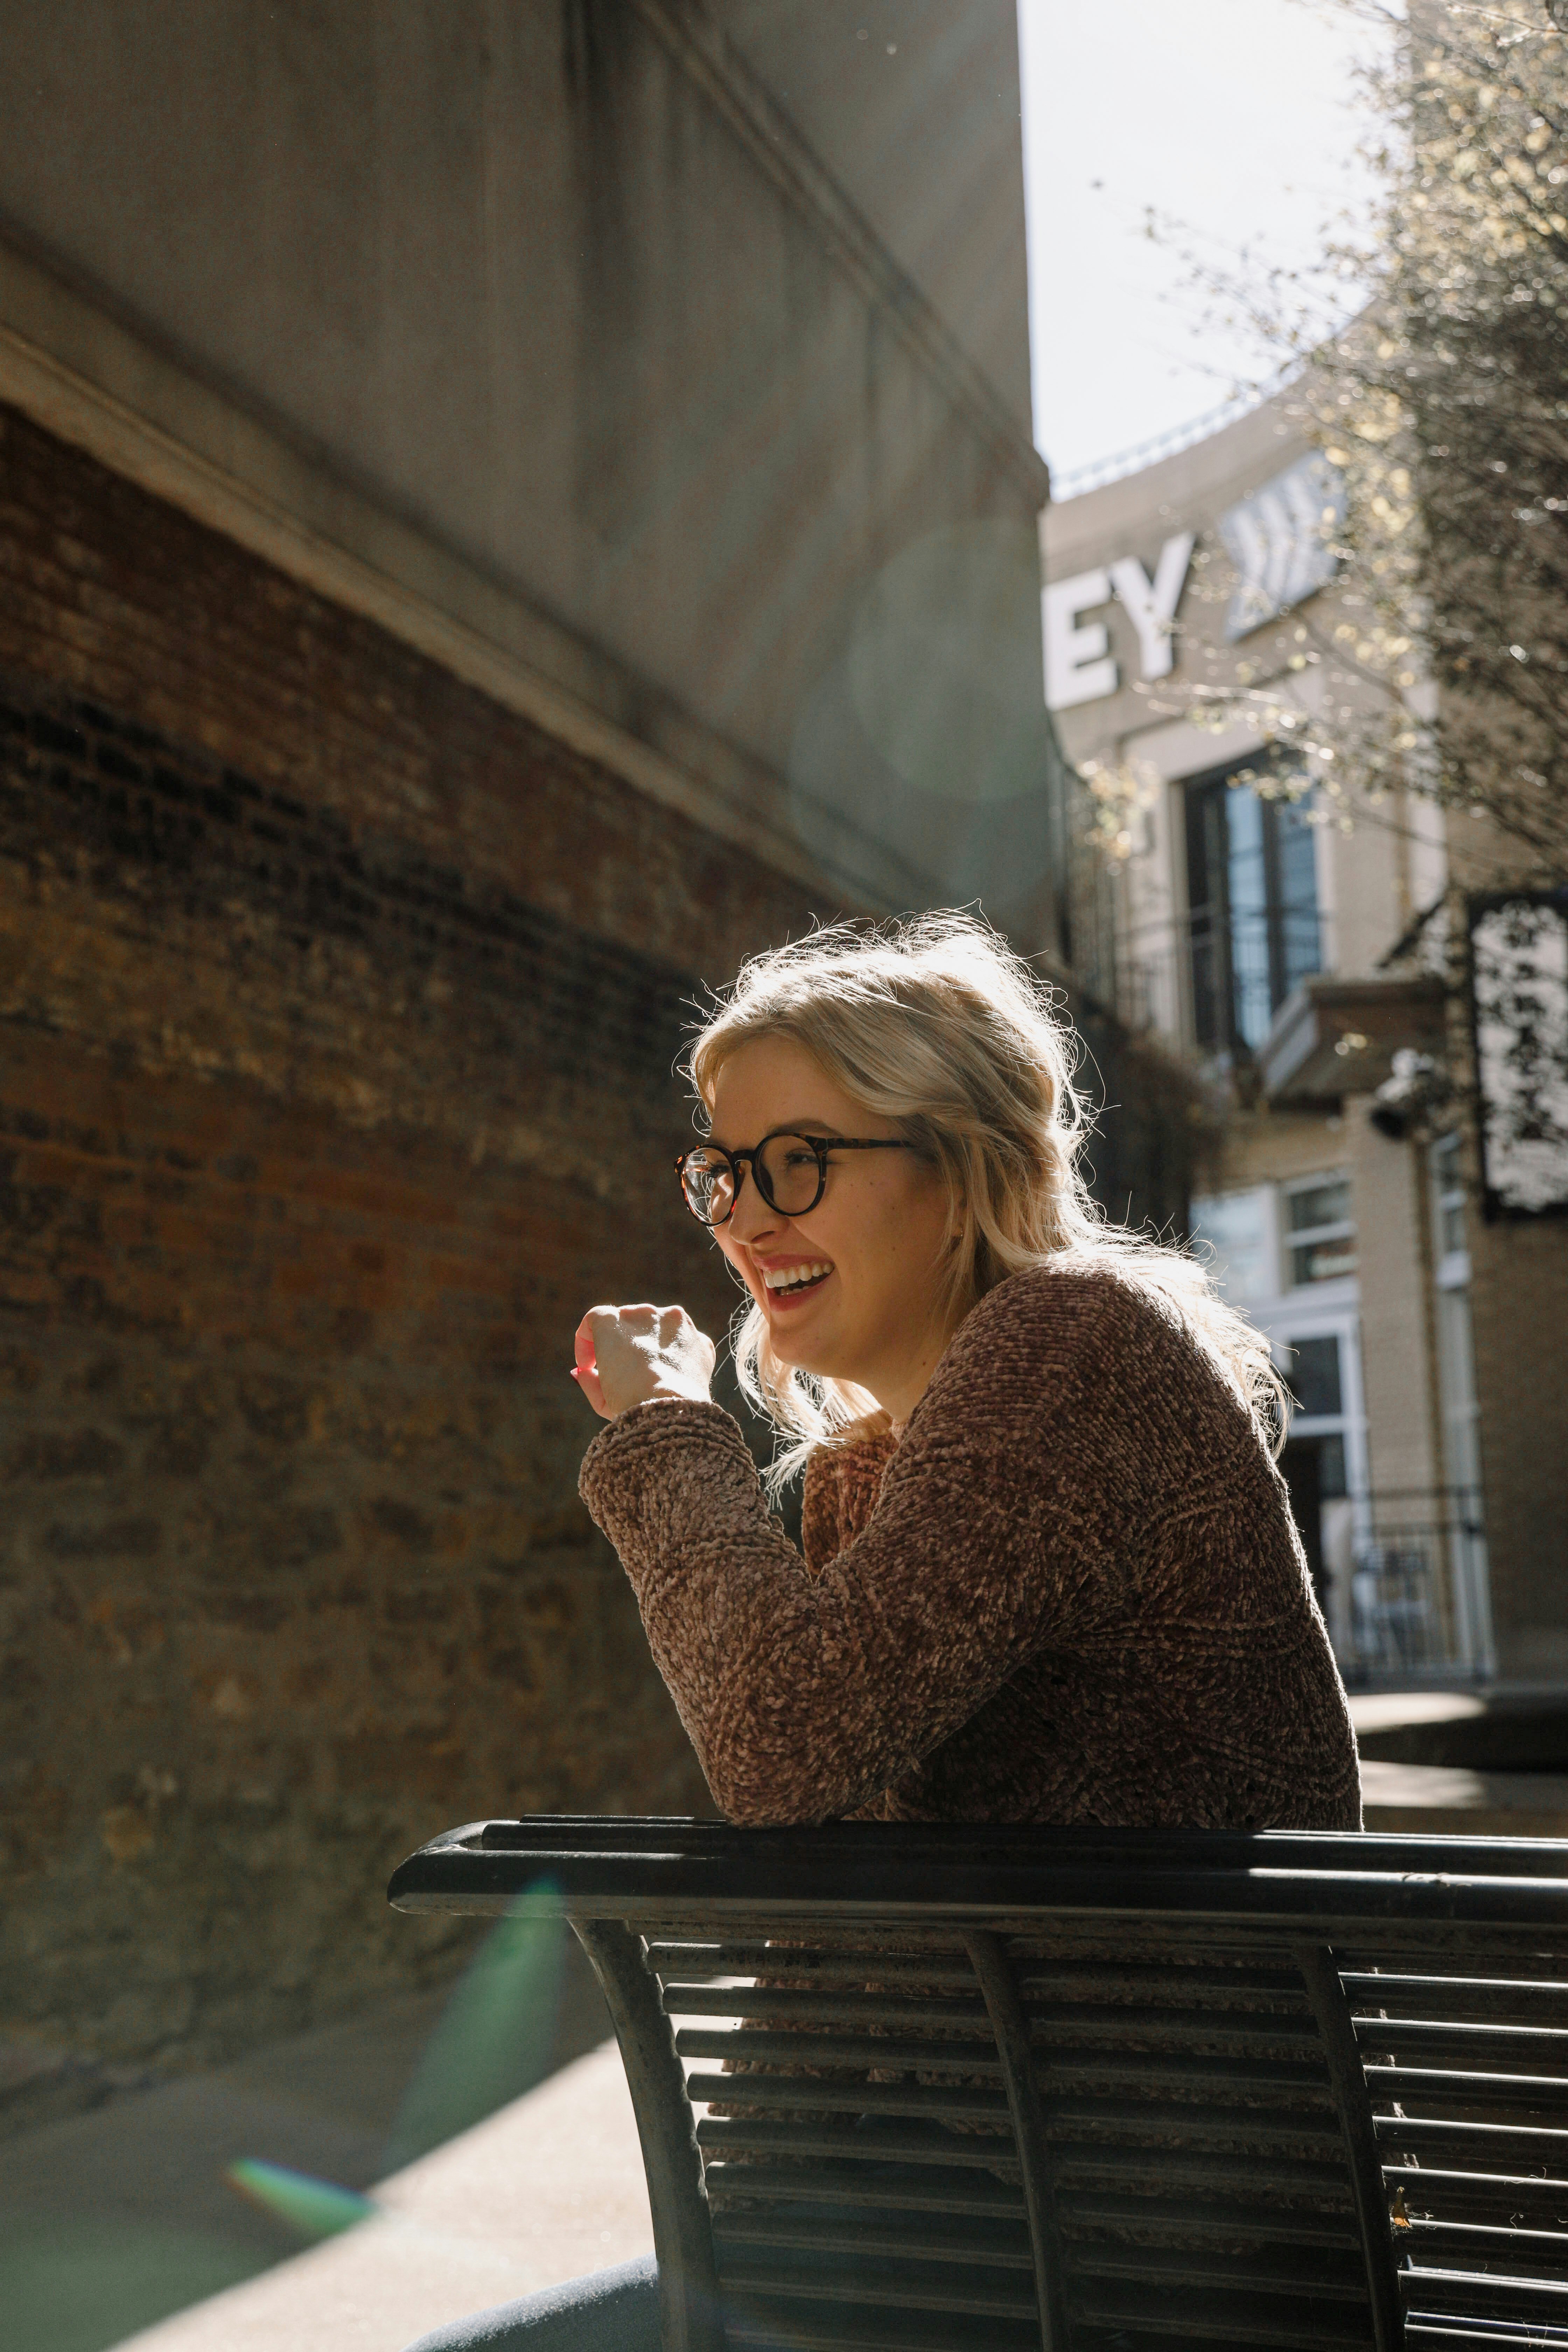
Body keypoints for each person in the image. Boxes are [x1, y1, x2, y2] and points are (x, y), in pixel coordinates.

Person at [404, 911, 1360, 2351]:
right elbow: (825, 1848)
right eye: (721, 1172)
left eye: (798, 1160)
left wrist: (673, 1434)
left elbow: (780, 1743)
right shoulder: (869, 1463)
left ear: (964, 1161)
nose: (740, 1215)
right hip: (969, 2223)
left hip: (1132, 2254)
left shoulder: (1074, 1348)